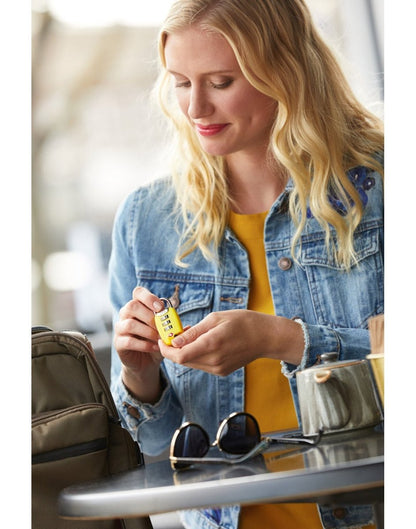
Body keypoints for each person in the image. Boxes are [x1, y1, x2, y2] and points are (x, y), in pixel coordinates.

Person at [109, 1, 384, 528]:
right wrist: (140, 376)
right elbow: (154, 450)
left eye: (220, 81)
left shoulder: (382, 187)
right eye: (181, 83)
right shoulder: (146, 222)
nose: (195, 108)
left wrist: (284, 339)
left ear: (285, 71)